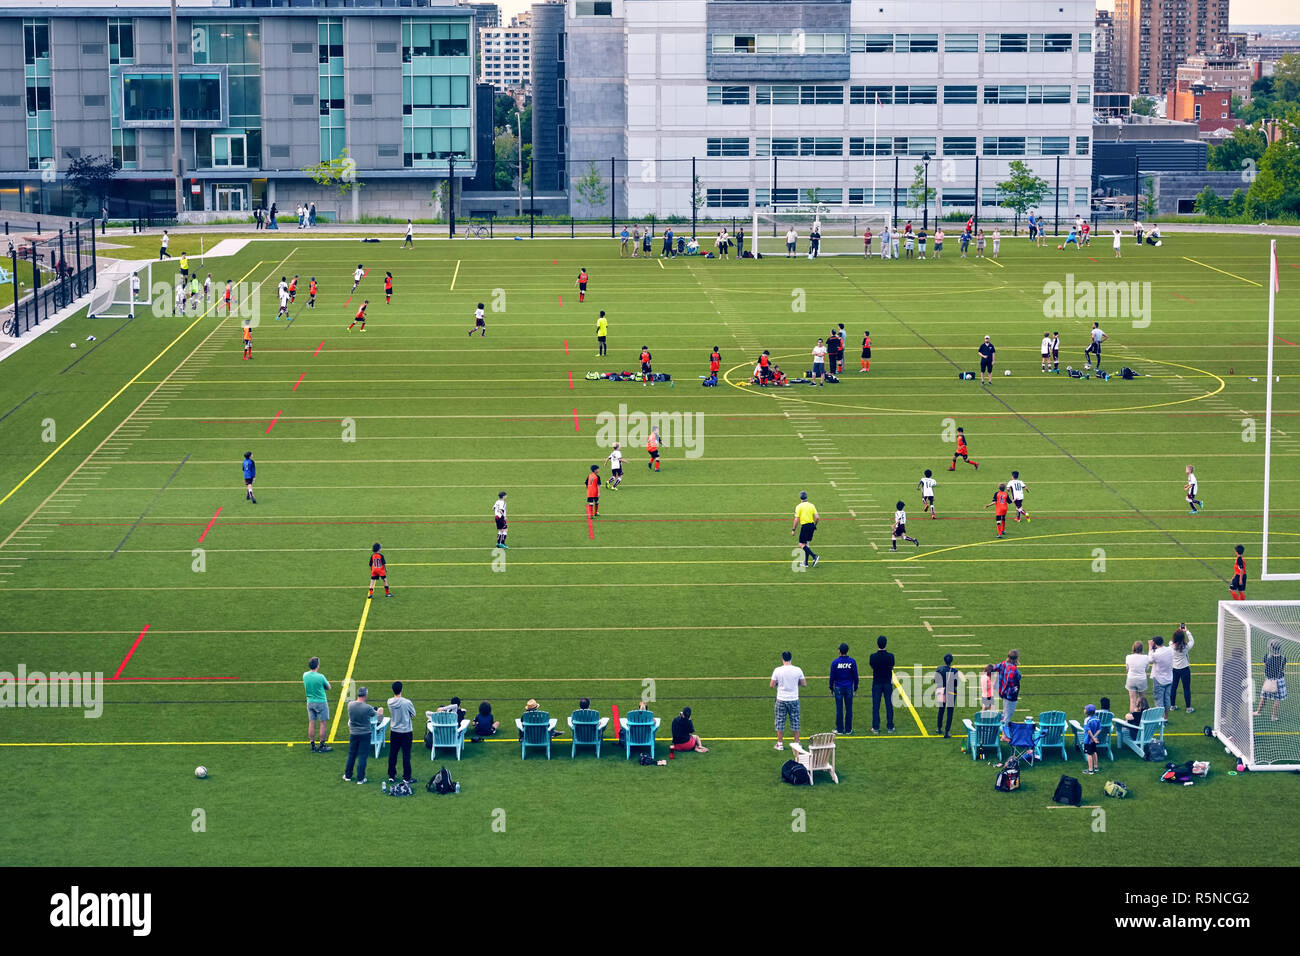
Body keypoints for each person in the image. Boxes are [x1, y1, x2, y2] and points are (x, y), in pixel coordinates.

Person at [342, 687, 383, 784]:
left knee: (351, 755)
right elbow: (377, 717)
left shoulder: (350, 705)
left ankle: (348, 775)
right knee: (362, 757)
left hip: (353, 733)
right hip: (365, 734)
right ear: (365, 695)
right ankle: (360, 778)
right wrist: (380, 712)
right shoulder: (367, 708)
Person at [770, 651, 807, 751]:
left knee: (780, 721)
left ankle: (780, 743)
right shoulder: (797, 670)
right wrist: (795, 684)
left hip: (781, 699)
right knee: (795, 721)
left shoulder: (777, 670)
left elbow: (771, 684)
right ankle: (797, 743)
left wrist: (779, 684)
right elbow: (803, 683)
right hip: (794, 699)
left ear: (782, 659)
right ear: (791, 658)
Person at [386, 680, 417, 785]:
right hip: (406, 731)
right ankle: (407, 777)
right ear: (401, 690)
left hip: (394, 731)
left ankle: (391, 775)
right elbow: (413, 714)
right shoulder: (407, 702)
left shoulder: (389, 701)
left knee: (393, 754)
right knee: (406, 755)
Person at [303, 656, 333, 753]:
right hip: (321, 702)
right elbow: (328, 687)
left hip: (310, 702)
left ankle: (312, 745)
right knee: (323, 723)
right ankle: (322, 745)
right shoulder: (321, 677)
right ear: (317, 666)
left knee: (311, 722)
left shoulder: (305, 675)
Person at [829, 642, 858, 735]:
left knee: (839, 709)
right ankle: (848, 729)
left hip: (838, 688)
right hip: (849, 687)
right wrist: (855, 688)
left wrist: (831, 688)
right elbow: (856, 676)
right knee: (849, 709)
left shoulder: (835, 662)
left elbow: (832, 677)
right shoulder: (852, 662)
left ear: (839, 651)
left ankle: (840, 729)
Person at [1254, 638, 1287, 721]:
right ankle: (1273, 716)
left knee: (1263, 697)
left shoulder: (1267, 657)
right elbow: (1282, 667)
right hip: (1279, 680)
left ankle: (1258, 711)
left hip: (1268, 680)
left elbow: (1266, 666)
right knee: (1277, 699)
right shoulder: (1283, 658)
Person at [868, 635, 895, 734]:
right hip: (887, 683)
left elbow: (872, 666)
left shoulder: (873, 657)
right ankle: (890, 726)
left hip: (877, 683)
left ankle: (875, 727)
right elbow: (892, 666)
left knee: (876, 706)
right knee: (889, 705)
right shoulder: (890, 656)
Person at [1171, 625, 1196, 713]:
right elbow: (1192, 641)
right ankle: (1188, 708)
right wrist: (1187, 631)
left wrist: (1178, 631)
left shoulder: (1171, 645)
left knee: (1173, 687)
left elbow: (1173, 640)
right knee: (1186, 688)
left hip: (1174, 669)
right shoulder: (1186, 647)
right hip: (1184, 669)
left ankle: (1172, 706)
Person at [934, 653, 959, 738]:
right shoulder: (955, 671)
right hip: (951, 693)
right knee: (950, 712)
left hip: (942, 691)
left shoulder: (939, 669)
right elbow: (956, 684)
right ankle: (947, 732)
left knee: (941, 710)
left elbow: (935, 681)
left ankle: (938, 728)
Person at [792, 490, 819, 568]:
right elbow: (817, 518)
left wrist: (793, 529)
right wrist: (814, 525)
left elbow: (796, 519)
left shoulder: (799, 506)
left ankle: (814, 556)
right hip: (811, 526)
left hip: (805, 526)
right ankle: (805, 563)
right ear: (806, 497)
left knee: (800, 544)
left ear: (800, 498)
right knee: (806, 544)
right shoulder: (811, 505)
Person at [1149, 635, 1175, 716]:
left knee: (1159, 701)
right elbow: (1172, 643)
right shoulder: (1170, 650)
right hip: (1169, 678)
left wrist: (1150, 648)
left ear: (1155, 644)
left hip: (1159, 680)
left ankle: (1160, 719)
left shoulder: (1156, 654)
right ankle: (1165, 718)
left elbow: (1149, 659)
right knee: (1167, 700)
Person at [995, 649, 1021, 723]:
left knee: (1005, 713)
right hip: (1010, 695)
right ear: (1016, 658)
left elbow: (993, 668)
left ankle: (1001, 730)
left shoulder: (1003, 664)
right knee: (1007, 717)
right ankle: (1003, 733)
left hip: (1003, 693)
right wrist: (1014, 688)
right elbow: (1010, 679)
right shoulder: (1013, 668)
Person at [1124, 639, 1150, 713]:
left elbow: (1127, 669)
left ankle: (1133, 718)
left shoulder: (1128, 657)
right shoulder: (1145, 657)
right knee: (1142, 700)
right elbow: (1146, 669)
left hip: (1131, 679)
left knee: (1132, 700)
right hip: (1142, 680)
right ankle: (1141, 717)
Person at [1081, 704, 1102, 775]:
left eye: (1085, 709)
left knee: (1089, 754)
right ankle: (1096, 767)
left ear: (1087, 712)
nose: (1084, 710)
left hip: (1088, 740)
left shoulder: (1087, 720)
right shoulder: (1097, 718)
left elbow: (1088, 731)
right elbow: (1099, 730)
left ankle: (1090, 770)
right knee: (1094, 752)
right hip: (1094, 739)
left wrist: (1092, 738)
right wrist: (1094, 738)